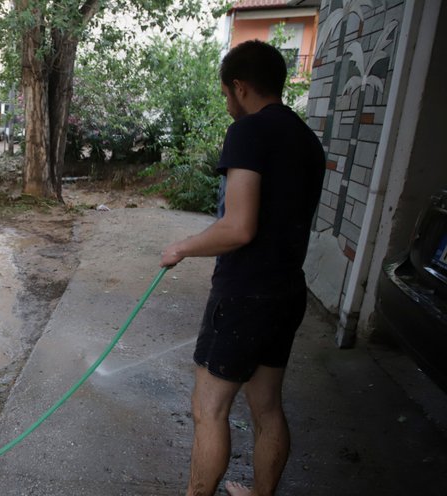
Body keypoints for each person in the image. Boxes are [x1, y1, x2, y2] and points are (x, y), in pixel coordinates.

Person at [159, 40, 325, 496]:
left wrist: (182, 247)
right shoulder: (307, 140)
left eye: (227, 94)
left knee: (208, 408)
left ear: (239, 87)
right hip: (287, 292)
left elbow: (238, 228)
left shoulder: (249, 132)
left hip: (245, 295)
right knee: (267, 406)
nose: (228, 104)